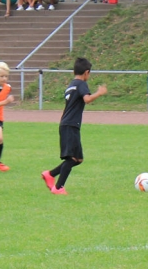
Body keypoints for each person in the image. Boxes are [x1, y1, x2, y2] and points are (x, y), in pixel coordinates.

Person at [41, 57, 108, 195]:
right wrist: (99, 93)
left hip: (67, 124)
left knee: (78, 159)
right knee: (71, 158)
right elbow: (87, 99)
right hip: (70, 125)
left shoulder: (71, 84)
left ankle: (50, 174)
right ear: (86, 72)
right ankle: (58, 187)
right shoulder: (81, 84)